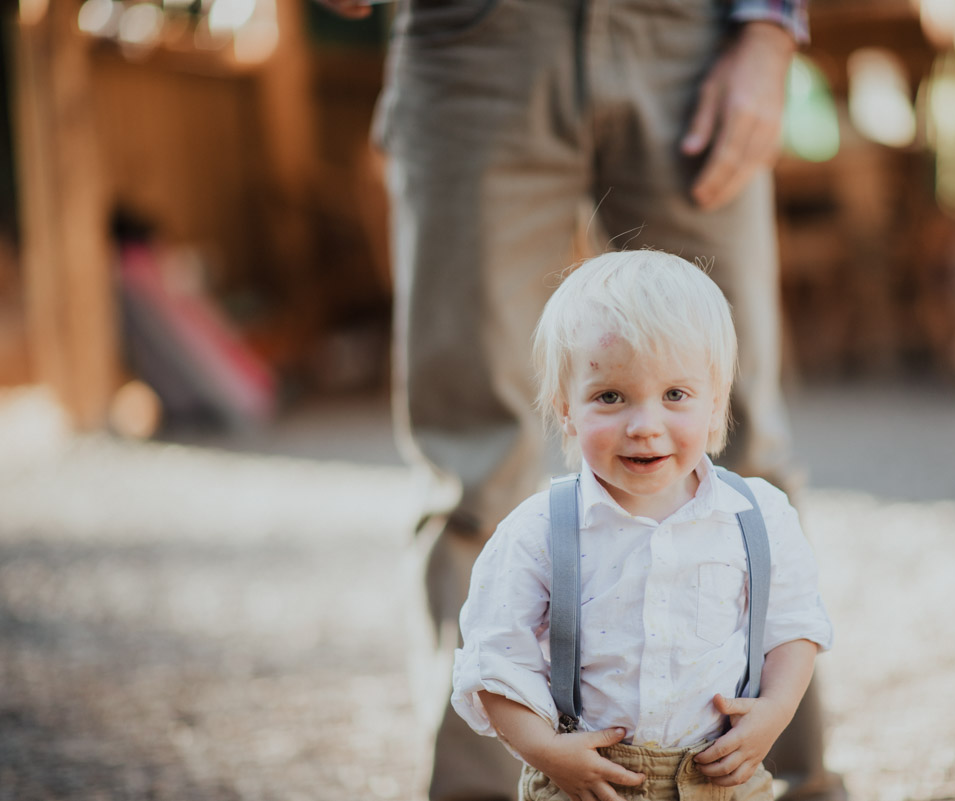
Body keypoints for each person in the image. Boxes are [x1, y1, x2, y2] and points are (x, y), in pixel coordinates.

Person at [309, 1, 846, 799]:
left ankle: (784, 782)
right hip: (477, 38)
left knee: (741, 457)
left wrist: (769, 30)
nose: (641, 424)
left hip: (688, 34)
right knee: (474, 472)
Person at [452, 250, 834, 801]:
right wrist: (545, 751)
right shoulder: (537, 531)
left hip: (718, 777)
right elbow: (494, 660)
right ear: (565, 409)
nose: (644, 426)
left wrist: (774, 712)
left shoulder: (758, 515)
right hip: (587, 779)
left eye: (675, 395)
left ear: (716, 403)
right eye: (610, 397)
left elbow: (793, 626)